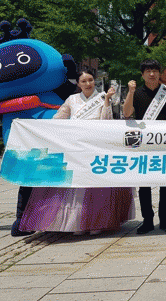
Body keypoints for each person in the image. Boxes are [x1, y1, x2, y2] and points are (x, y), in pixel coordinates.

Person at [20, 71, 135, 234]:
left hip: (96, 147)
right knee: (77, 187)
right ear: (78, 84)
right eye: (84, 81)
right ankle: (77, 223)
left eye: (90, 80)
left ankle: (96, 223)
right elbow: (58, 119)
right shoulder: (72, 99)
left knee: (96, 186)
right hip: (76, 148)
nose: (88, 84)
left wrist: (107, 100)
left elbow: (107, 121)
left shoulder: (102, 97)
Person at [123, 59, 166, 234]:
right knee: (144, 185)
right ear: (142, 74)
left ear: (159, 73)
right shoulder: (137, 92)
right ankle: (147, 220)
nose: (152, 74)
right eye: (148, 71)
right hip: (144, 144)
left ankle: (165, 219)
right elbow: (127, 113)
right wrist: (130, 92)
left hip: (164, 143)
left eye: (155, 70)